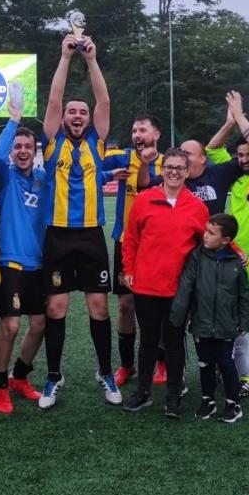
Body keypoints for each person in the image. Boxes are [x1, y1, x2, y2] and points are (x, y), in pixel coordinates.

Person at [37, 33, 122, 408]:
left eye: (81, 112)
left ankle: (105, 372)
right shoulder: (52, 142)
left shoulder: (97, 143)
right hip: (56, 236)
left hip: (90, 237)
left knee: (99, 308)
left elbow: (104, 99)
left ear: (88, 119)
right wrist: (64, 57)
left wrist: (90, 59)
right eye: (72, 112)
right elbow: (54, 98)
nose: (75, 115)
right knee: (55, 309)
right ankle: (54, 375)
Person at [121, 147, 209, 418]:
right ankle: (143, 391)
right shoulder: (145, 200)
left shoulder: (197, 207)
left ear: (187, 172)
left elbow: (208, 242)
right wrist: (127, 270)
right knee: (147, 340)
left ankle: (173, 395)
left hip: (178, 288)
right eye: (169, 167)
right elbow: (131, 239)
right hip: (146, 284)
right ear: (161, 170)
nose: (173, 172)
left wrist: (237, 252)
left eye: (179, 168)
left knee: (173, 341)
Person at [202, 91, 249, 396]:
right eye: (240, 155)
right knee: (236, 316)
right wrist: (230, 121)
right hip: (235, 256)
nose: (245, 159)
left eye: (248, 155)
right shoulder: (236, 177)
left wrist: (241, 114)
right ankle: (241, 370)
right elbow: (211, 148)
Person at [0, 86, 49, 413]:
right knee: (10, 326)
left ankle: (20, 377)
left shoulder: (42, 178)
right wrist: (13, 120)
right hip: (10, 262)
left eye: (28, 146)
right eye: (18, 146)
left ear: (35, 151)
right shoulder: (5, 177)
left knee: (39, 325)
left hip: (39, 264)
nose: (23, 150)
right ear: (12, 151)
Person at [168, 213, 249, 424]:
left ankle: (233, 404)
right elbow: (186, 286)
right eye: (206, 230)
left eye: (211, 233)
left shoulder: (236, 262)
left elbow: (245, 295)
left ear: (226, 240)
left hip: (226, 325)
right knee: (205, 362)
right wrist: (177, 317)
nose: (205, 235)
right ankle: (208, 400)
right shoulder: (197, 257)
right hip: (201, 323)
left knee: (225, 362)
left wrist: (243, 322)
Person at [104, 113, 163, 387]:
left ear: (156, 135)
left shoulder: (170, 162)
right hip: (127, 243)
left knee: (161, 306)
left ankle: (162, 363)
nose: (137, 134)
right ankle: (127, 365)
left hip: (160, 246)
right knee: (126, 306)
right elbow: (91, 160)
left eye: (143, 129)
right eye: (134, 129)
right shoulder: (121, 157)